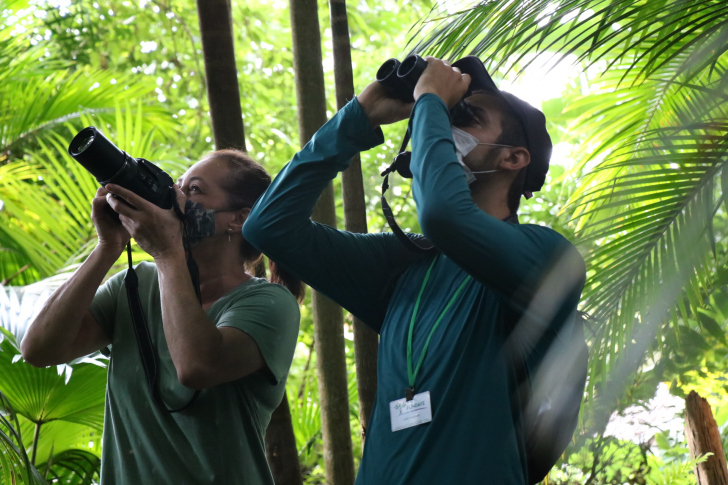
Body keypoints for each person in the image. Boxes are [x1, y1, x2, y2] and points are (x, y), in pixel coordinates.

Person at [243, 56, 586, 484]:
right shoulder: (406, 265)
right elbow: (268, 226)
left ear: (513, 158)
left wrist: (430, 101)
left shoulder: (547, 255)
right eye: (449, 114)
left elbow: (444, 214)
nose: (446, 124)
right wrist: (360, 117)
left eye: (468, 117)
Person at [21, 149, 302, 485]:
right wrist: (107, 247)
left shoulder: (271, 303)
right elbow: (39, 349)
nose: (177, 197)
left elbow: (197, 365)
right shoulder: (137, 284)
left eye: (194, 190)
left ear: (237, 219)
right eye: (177, 185)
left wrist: (167, 252)